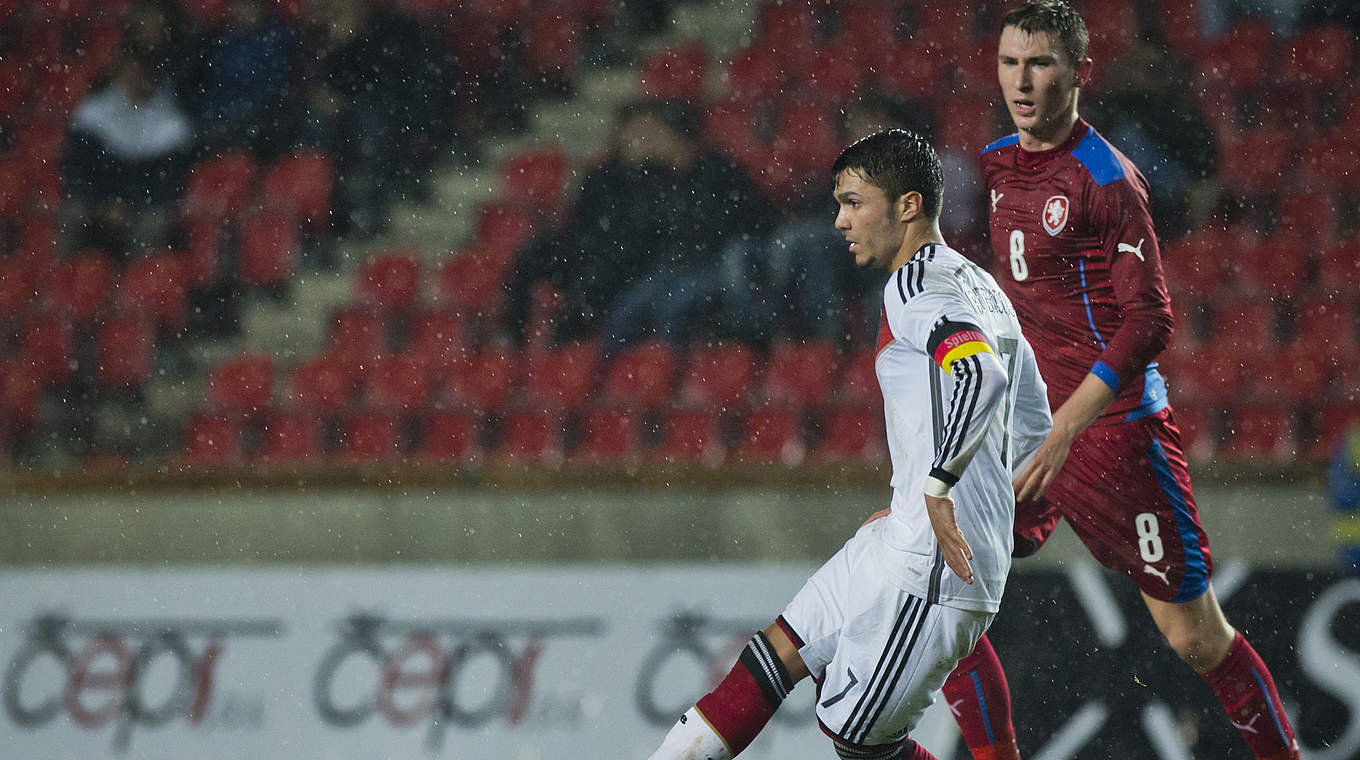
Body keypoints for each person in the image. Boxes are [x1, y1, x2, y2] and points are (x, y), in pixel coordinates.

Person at [946, 3, 1302, 759]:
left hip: (1115, 437)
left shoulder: (1108, 180)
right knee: (934, 572)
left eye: (1040, 64)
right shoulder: (999, 161)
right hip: (1032, 428)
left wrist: (1067, 425)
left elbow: (1150, 322)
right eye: (1010, 63)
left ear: (1078, 72)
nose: (1022, 80)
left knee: (1194, 637)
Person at [643, 129, 1052, 760]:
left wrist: (941, 490)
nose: (840, 220)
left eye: (855, 203)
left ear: (908, 206)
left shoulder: (915, 287)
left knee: (855, 741)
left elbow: (979, 374)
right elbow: (1033, 425)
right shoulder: (984, 289)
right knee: (771, 658)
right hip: (904, 543)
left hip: (928, 566)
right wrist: (978, 513)